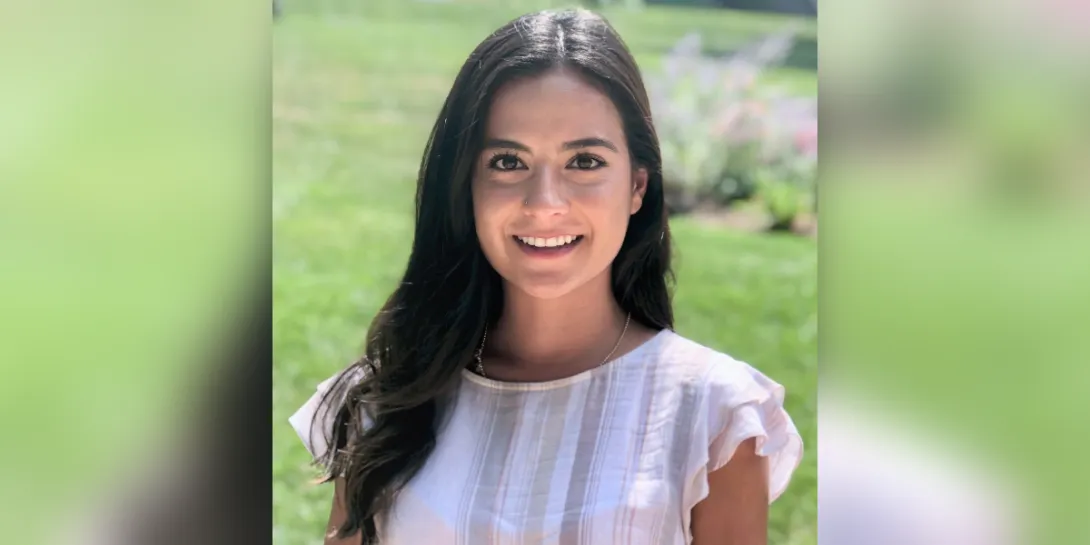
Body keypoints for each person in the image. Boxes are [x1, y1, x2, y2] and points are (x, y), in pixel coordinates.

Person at [289, 9, 802, 545]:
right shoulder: (385, 399)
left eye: (584, 162)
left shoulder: (714, 415)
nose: (544, 203)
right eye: (508, 162)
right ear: (466, 185)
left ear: (637, 187)